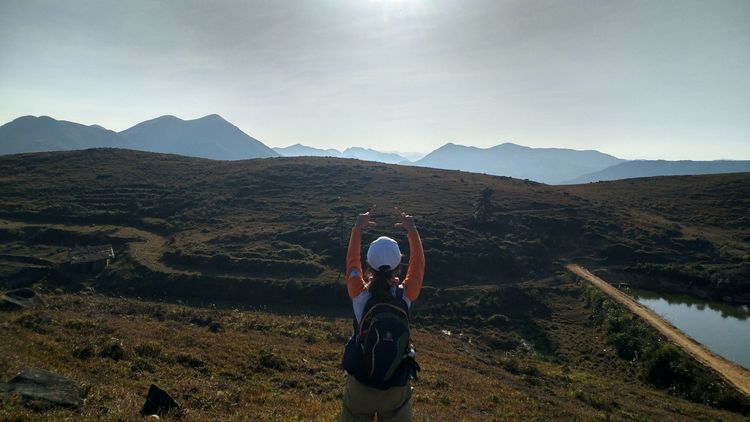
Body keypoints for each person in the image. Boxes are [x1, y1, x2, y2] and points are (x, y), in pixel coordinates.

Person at [340, 205, 425, 422]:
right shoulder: (407, 294)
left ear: (369, 264)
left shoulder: (359, 293)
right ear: (398, 266)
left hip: (361, 383)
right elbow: (418, 266)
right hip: (396, 384)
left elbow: (352, 262)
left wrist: (357, 228)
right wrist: (412, 230)